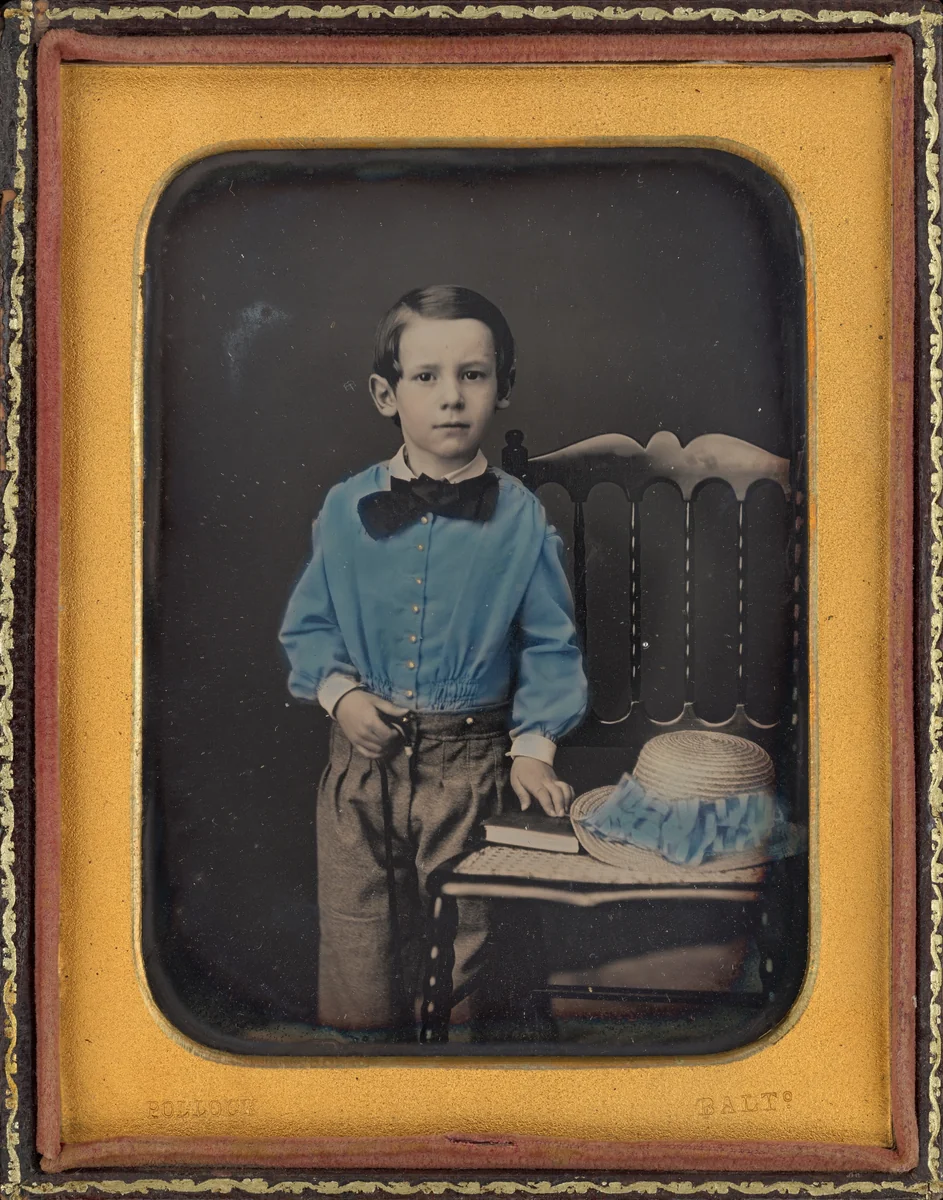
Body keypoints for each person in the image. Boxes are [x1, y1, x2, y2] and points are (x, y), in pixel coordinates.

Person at [279, 284, 587, 1035]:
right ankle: (363, 1117)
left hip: (473, 765)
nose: (450, 399)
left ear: (501, 388)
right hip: (361, 765)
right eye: (426, 377)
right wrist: (341, 696)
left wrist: (534, 749)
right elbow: (307, 627)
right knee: (358, 943)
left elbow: (551, 646)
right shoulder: (347, 509)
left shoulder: (521, 518)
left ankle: (462, 1113)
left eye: (472, 375)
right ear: (387, 393)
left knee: (471, 950)